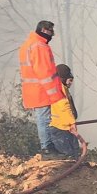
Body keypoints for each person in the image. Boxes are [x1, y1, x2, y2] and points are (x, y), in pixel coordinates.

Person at [19, 20, 65, 159]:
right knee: (44, 119)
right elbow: (45, 73)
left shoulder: (28, 44)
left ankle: (48, 148)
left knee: (42, 118)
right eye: (51, 32)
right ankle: (47, 149)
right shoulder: (40, 47)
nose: (52, 35)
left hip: (33, 90)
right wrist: (54, 95)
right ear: (45, 30)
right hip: (41, 90)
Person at [48, 64, 80, 160]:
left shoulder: (62, 89)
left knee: (74, 155)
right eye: (70, 80)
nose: (71, 83)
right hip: (60, 128)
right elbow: (64, 106)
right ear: (63, 78)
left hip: (65, 127)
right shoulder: (59, 90)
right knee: (67, 157)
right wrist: (72, 122)